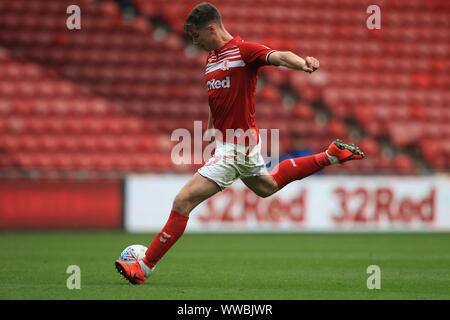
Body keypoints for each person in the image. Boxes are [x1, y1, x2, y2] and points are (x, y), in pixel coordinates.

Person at [115, 2, 365, 284]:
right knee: (266, 187)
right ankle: (331, 155)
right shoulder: (211, 59)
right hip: (230, 143)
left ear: (211, 27)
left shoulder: (243, 51)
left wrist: (303, 64)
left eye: (196, 35)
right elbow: (216, 97)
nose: (194, 42)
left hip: (239, 145)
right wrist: (211, 127)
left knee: (183, 200)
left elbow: (279, 56)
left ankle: (145, 266)